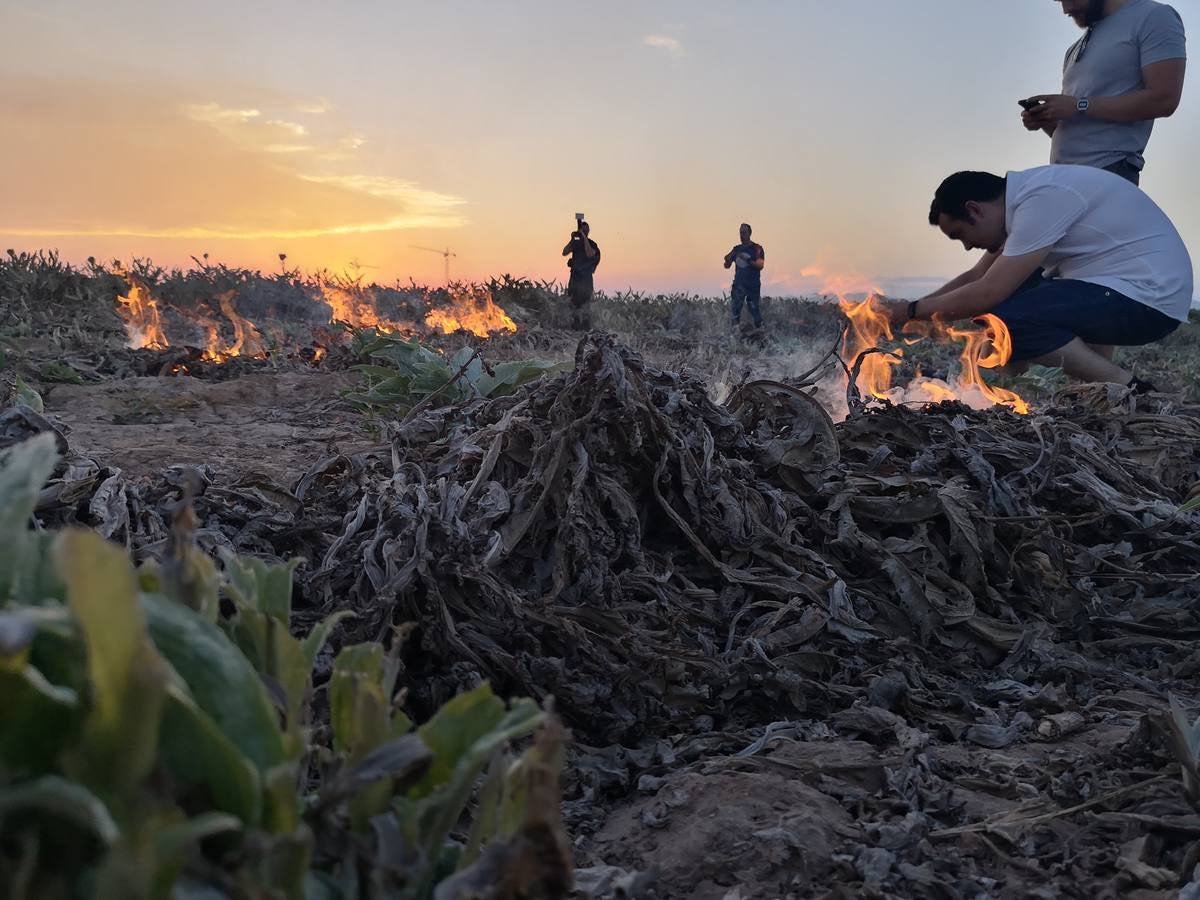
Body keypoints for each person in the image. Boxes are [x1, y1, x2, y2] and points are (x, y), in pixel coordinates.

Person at [885, 167, 1192, 390]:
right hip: (1130, 293)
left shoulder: (1041, 200)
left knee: (1007, 319)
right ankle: (1006, 388)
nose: (967, 246)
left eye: (960, 235)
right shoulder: (1025, 203)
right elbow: (977, 275)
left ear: (974, 210)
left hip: (1147, 301)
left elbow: (986, 292)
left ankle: (1130, 389)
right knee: (1012, 295)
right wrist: (916, 308)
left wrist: (910, 312)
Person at [1021, 0, 1186, 185]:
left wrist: (1078, 105)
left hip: (1110, 172)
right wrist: (1047, 120)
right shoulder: (1074, 48)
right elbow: (1081, 124)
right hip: (1062, 178)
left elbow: (1164, 99)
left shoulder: (1154, 16)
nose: (1066, 9)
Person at [723, 223, 765, 329]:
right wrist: (727, 260)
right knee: (735, 312)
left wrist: (747, 260)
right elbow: (727, 265)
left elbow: (760, 265)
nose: (742, 235)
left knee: (754, 309)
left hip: (752, 285)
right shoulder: (736, 249)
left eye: (744, 232)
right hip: (739, 285)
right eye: (741, 233)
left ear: (750, 233)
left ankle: (761, 334)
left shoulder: (757, 248)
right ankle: (735, 336)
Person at [562, 219, 600, 329]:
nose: (583, 231)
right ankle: (575, 327)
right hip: (575, 278)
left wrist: (584, 238)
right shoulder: (576, 243)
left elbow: (589, 254)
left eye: (584, 230)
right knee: (574, 305)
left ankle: (586, 328)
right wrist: (572, 240)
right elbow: (564, 252)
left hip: (586, 279)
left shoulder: (592, 244)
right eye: (581, 230)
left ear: (588, 231)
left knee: (586, 305)